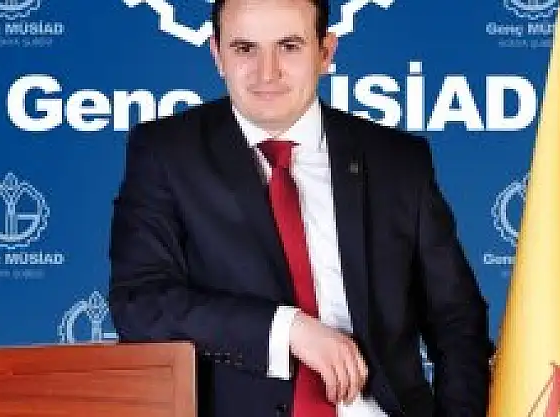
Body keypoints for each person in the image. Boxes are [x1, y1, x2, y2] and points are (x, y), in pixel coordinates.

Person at [108, 0, 493, 416]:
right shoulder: (166, 153)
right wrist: (286, 329)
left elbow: (457, 319)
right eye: (245, 48)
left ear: (325, 52)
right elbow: (140, 303)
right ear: (217, 55)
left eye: (289, 47)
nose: (267, 72)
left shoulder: (398, 160)